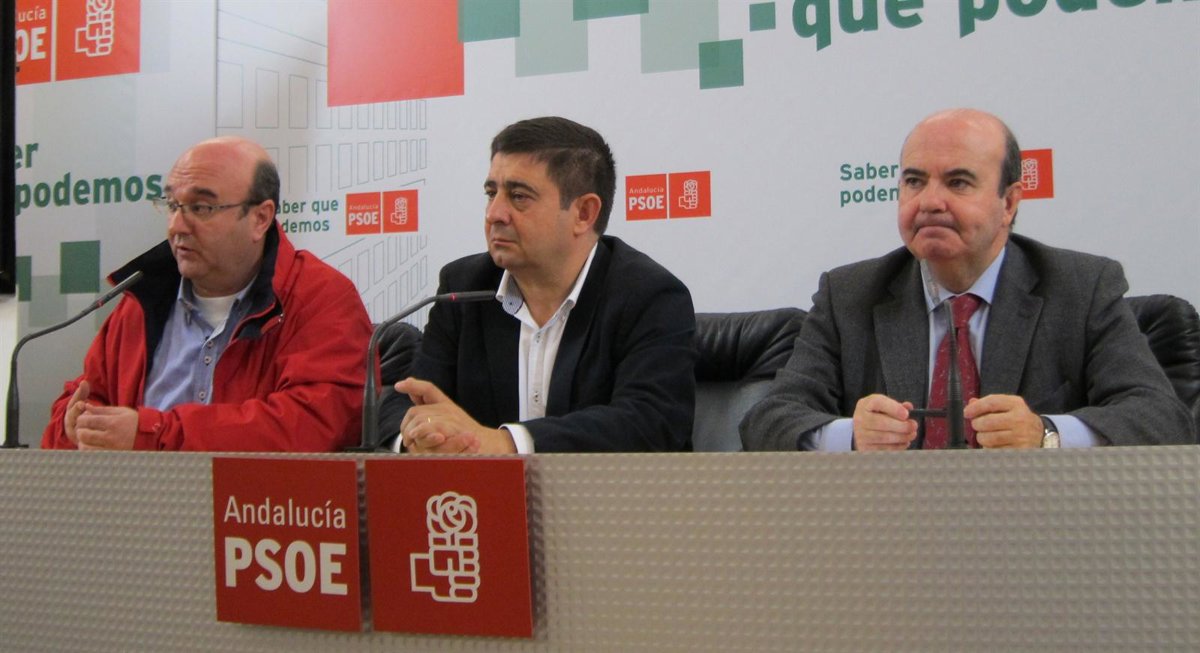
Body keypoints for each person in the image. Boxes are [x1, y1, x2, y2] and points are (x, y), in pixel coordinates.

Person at [741, 108, 1195, 451]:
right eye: (914, 181)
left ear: (1009, 203)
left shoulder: (1081, 288)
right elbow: (766, 421)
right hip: (893, 531)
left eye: (958, 183)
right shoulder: (850, 295)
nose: (929, 202)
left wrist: (1046, 434)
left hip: (1036, 529)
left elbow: (1162, 419)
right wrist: (851, 436)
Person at [379, 116, 696, 454]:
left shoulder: (650, 296)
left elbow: (650, 422)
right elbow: (405, 399)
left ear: (584, 213)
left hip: (606, 489)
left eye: (519, 196)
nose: (494, 213)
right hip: (482, 490)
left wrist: (506, 442)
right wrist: (418, 440)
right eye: (491, 193)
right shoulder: (463, 287)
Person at [41, 136, 372, 451]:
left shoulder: (319, 298)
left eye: (201, 208)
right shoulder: (141, 301)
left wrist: (156, 435)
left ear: (260, 218)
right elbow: (85, 400)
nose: (177, 226)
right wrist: (76, 426)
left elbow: (312, 426)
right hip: (136, 491)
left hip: (255, 493)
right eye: (172, 205)